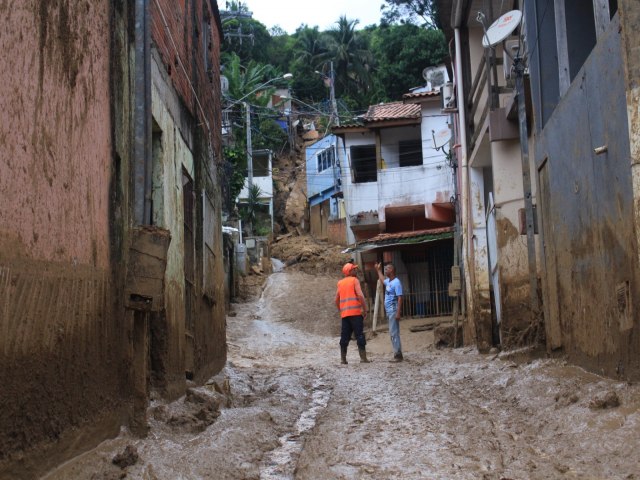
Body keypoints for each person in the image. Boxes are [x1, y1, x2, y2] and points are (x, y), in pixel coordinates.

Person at [335, 262, 370, 364]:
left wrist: (341, 310)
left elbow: (336, 300)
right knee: (359, 335)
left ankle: (343, 359)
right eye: (354, 269)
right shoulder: (355, 280)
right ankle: (363, 358)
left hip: (345, 315)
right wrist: (365, 308)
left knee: (344, 336)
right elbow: (360, 296)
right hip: (356, 313)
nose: (356, 270)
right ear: (350, 271)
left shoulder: (340, 283)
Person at [375, 262, 403, 361]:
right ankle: (398, 354)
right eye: (385, 269)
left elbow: (400, 298)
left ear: (392, 270)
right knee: (393, 332)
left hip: (393, 310)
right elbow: (382, 280)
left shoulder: (396, 282)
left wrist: (398, 312)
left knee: (393, 333)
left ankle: (398, 355)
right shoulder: (389, 282)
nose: (385, 270)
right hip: (390, 311)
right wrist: (378, 270)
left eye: (387, 268)